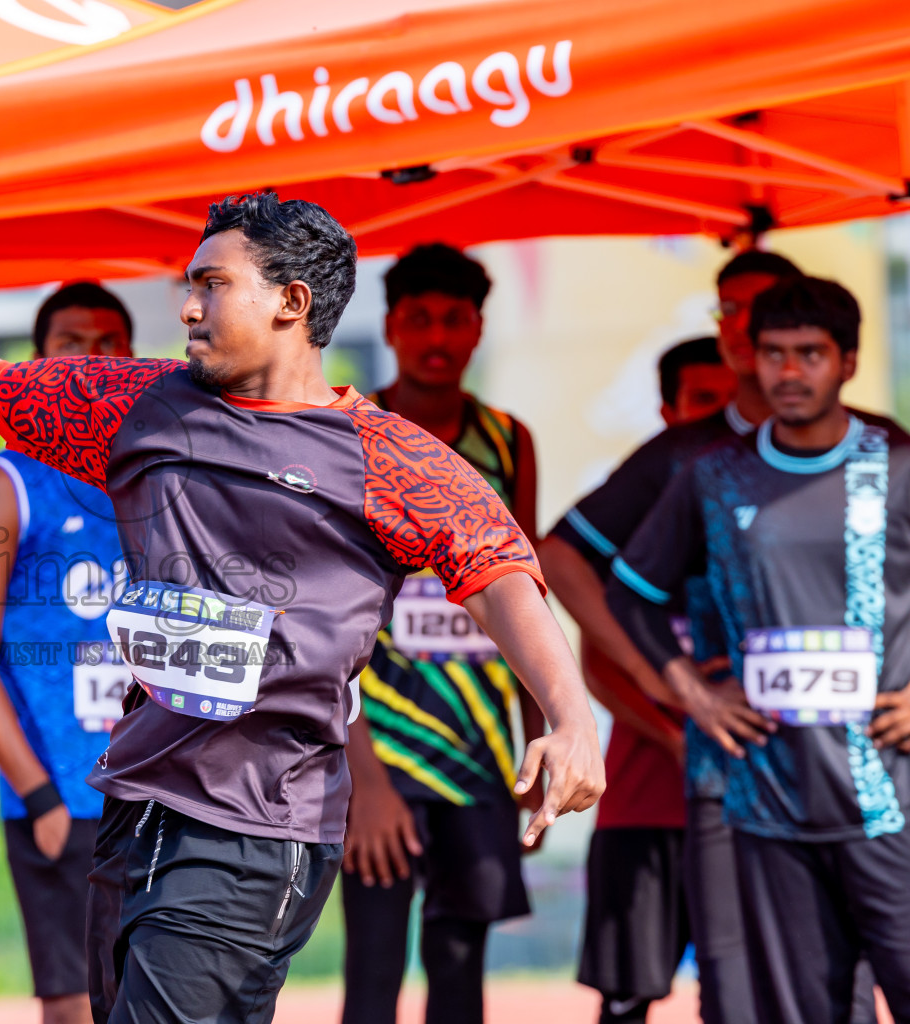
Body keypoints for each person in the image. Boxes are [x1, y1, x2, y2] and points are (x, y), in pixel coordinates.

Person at [0, 192, 604, 1024]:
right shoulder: (145, 404)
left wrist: (569, 718)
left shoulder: (384, 458)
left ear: (291, 303)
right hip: (136, 808)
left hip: (260, 824)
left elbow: (498, 568)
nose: (187, 307)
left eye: (212, 285)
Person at [609, 276, 910, 1024]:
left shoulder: (898, 467)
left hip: (890, 801)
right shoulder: (714, 475)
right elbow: (629, 591)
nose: (789, 372)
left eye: (809, 354)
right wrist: (693, 692)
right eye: (774, 354)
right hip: (769, 805)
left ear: (848, 361)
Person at [538, 250, 805, 1024]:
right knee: (664, 985)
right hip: (669, 782)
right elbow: (561, 563)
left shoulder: (867, 447)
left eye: (758, 307)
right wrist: (669, 690)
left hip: (810, 779)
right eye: (727, 307)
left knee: (799, 977)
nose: (741, 327)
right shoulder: (686, 456)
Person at [340, 244, 546, 1024]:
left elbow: (524, 594)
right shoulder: (351, 430)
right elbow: (327, 619)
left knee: (461, 975)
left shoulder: (507, 442)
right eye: (418, 318)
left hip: (480, 755)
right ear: (390, 326)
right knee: (374, 976)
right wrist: (363, 781)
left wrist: (538, 743)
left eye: (453, 319)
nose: (437, 335)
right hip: (380, 757)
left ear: (477, 328)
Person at [0, 282, 133, 1024]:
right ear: (36, 363)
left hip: (163, 791)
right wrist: (39, 795)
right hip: (65, 796)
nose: (89, 358)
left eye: (106, 342)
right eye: (69, 344)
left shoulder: (160, 475)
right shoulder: (8, 484)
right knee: (74, 1008)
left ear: (132, 356)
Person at [572, 337, 734, 1024]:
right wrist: (672, 733)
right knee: (628, 998)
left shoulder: (772, 514)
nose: (721, 418)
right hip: (644, 801)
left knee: (738, 994)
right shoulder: (629, 522)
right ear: (669, 411)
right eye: (703, 401)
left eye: (732, 400)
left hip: (746, 811)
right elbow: (598, 663)